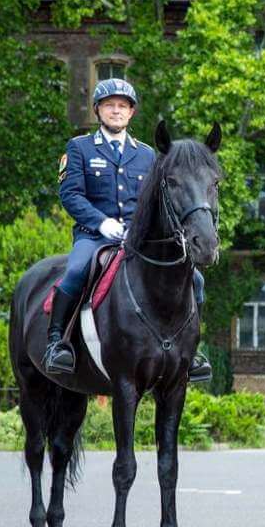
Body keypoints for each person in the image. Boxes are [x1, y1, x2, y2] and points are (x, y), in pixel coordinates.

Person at [45, 77, 211, 382]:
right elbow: (70, 194)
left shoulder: (147, 154)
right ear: (98, 110)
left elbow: (156, 200)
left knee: (195, 279)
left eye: (123, 106)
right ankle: (58, 342)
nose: (116, 111)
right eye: (110, 106)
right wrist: (101, 222)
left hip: (137, 239)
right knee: (77, 270)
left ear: (132, 113)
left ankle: (192, 351)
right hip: (94, 236)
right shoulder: (79, 148)